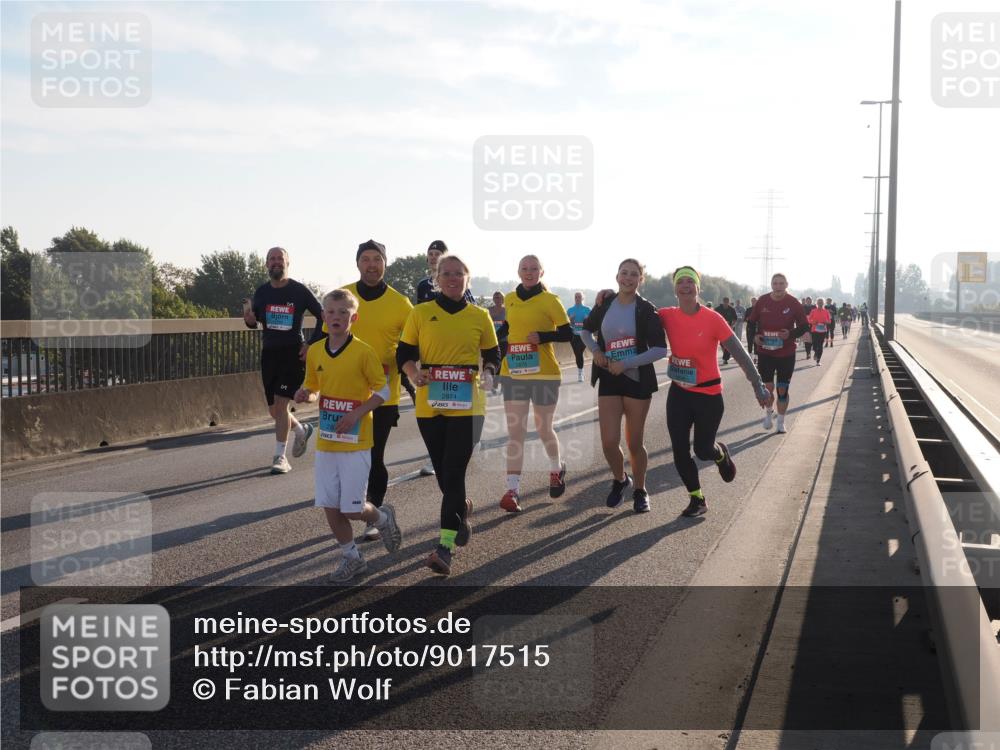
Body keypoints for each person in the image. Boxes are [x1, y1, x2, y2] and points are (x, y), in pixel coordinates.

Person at [397, 255, 500, 576]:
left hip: (469, 405)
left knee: (453, 472)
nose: (453, 278)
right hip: (431, 404)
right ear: (436, 278)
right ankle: (461, 510)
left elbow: (492, 353)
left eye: (459, 274)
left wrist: (490, 373)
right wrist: (414, 374)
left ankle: (444, 547)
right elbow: (404, 353)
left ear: (468, 278)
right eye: (447, 274)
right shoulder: (421, 313)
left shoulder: (479, 315)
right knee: (444, 473)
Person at [294, 289, 402, 583]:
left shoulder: (364, 352)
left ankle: (381, 518)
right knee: (330, 505)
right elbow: (314, 386)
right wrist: (307, 393)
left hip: (356, 442)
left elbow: (383, 391)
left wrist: (356, 413)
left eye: (343, 313)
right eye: (331, 312)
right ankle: (352, 557)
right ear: (323, 317)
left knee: (352, 510)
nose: (336, 317)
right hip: (328, 442)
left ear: (354, 317)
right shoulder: (316, 350)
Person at [660, 267, 772, 517]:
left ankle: (720, 454)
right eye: (681, 282)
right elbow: (637, 311)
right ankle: (697, 498)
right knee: (679, 449)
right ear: (675, 288)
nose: (686, 285)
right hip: (679, 392)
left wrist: (758, 384)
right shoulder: (665, 315)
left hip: (708, 395)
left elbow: (740, 354)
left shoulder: (713, 319)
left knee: (702, 449)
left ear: (698, 289)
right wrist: (607, 299)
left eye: (691, 282)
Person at [581, 260, 667, 512]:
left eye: (634, 275)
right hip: (608, 377)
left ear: (641, 279)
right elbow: (586, 331)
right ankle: (620, 479)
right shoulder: (605, 302)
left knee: (634, 443)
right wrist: (596, 351)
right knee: (608, 441)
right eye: (624, 273)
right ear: (616, 276)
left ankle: (640, 490)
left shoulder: (647, 310)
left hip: (637, 382)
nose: (628, 278)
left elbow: (660, 349)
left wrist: (627, 363)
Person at [342, 240, 413, 541]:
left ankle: (377, 510)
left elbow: (411, 347)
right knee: (349, 457)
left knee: (374, 455)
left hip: (384, 393)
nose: (371, 265)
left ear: (385, 264)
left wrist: (405, 368)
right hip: (344, 393)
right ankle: (355, 505)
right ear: (357, 263)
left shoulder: (401, 304)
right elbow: (324, 339)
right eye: (366, 259)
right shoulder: (344, 296)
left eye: (377, 259)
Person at [496, 255, 573, 512]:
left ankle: (556, 467)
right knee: (515, 432)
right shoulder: (510, 298)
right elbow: (507, 327)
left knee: (542, 428)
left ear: (542, 272)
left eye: (533, 269)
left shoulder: (551, 300)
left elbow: (567, 332)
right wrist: (493, 345)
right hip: (514, 371)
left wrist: (543, 336)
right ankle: (512, 490)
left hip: (544, 373)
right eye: (524, 268)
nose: (528, 272)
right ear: (518, 271)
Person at [243, 246, 324, 474]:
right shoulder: (262, 292)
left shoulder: (299, 291)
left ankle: (280, 457)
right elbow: (255, 321)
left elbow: (322, 317)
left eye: (280, 259)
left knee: (281, 404)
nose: (276, 262)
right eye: (272, 259)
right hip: (269, 354)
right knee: (274, 411)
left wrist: (311, 344)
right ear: (267, 264)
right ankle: (300, 430)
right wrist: (249, 319)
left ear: (288, 263)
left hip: (292, 353)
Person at [747, 273, 810, 434]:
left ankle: (781, 422)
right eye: (775, 283)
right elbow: (751, 323)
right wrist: (755, 337)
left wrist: (790, 334)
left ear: (786, 284)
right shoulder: (762, 301)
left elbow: (804, 326)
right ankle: (769, 412)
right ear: (771, 285)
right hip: (765, 352)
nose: (778, 286)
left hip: (786, 353)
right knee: (768, 388)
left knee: (782, 389)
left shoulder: (793, 303)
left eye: (781, 283)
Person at [566, 291, 592, 383]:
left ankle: (580, 371)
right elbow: (566, 324)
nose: (577, 298)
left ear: (582, 298)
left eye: (579, 297)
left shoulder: (588, 309)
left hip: (584, 335)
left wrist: (587, 320)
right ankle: (580, 372)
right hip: (574, 335)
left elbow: (592, 323)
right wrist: (570, 320)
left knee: (579, 352)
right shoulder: (570, 310)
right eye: (576, 297)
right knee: (577, 353)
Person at [489, 291, 508, 395]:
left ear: (503, 299)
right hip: (492, 340)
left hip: (504, 340)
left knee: (503, 363)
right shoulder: (489, 310)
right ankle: (494, 384)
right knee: (495, 363)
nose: (497, 299)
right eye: (495, 297)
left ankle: (503, 386)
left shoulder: (507, 310)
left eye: (499, 297)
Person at [807, 302, 832, 366]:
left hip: (823, 330)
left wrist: (826, 322)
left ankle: (818, 361)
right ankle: (816, 352)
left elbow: (829, 321)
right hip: (814, 330)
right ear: (817, 304)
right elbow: (809, 319)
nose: (820, 304)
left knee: (820, 345)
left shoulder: (826, 311)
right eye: (819, 303)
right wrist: (813, 322)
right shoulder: (813, 311)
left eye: (821, 303)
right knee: (814, 345)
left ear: (823, 304)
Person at [717, 297, 739, 364]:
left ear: (728, 302)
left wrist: (732, 326)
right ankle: (725, 355)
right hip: (720, 328)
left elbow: (735, 319)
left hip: (729, 328)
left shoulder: (731, 309)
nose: (726, 303)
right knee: (722, 343)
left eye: (727, 302)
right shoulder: (718, 309)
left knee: (728, 343)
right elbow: (713, 318)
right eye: (725, 302)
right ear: (723, 301)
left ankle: (725, 359)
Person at [801, 296, 816, 361]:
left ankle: (811, 350)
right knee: (806, 340)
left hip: (813, 324)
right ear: (806, 301)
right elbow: (800, 315)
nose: (808, 301)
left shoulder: (814, 307)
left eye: (809, 300)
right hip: (805, 324)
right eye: (807, 300)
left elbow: (817, 314)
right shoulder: (803, 307)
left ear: (811, 301)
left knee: (812, 339)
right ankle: (808, 353)